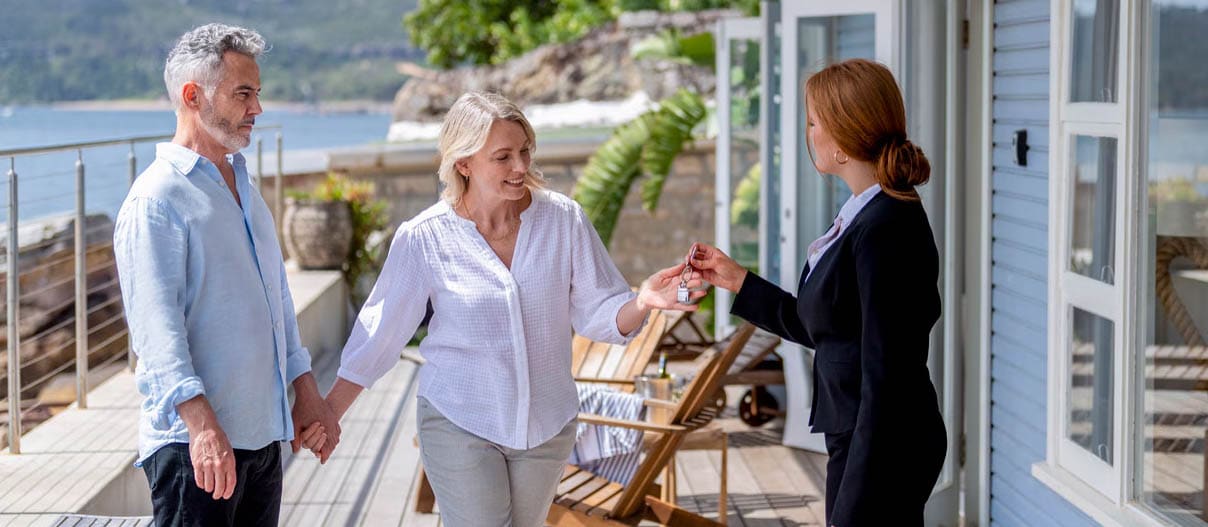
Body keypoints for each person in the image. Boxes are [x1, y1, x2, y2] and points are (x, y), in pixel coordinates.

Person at [303, 92, 703, 527]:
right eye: (503, 157)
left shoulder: (563, 220)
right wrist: (330, 413)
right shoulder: (425, 238)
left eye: (525, 151)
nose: (521, 167)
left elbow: (599, 311)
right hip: (460, 419)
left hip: (546, 424)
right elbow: (381, 333)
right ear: (464, 163)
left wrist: (643, 300)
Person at [688, 58, 947, 526]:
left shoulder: (886, 227)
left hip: (884, 444)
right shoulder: (863, 213)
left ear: (845, 139)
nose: (809, 133)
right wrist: (736, 280)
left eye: (813, 122)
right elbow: (827, 328)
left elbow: (887, 378)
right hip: (864, 434)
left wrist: (853, 500)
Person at [113, 23, 337, 527]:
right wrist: (202, 426)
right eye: (243, 94)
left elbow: (278, 306)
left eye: (257, 94)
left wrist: (307, 393)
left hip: (261, 440)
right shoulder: (156, 201)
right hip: (197, 449)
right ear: (193, 96)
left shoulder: (246, 189)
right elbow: (157, 335)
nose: (256, 109)